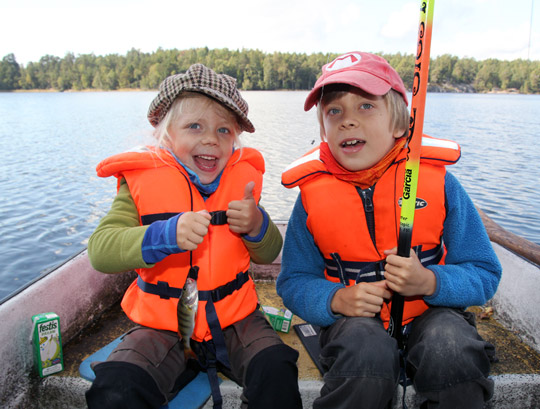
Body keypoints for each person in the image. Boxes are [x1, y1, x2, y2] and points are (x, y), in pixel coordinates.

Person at [276, 51, 502, 409]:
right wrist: (334, 300)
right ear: (323, 129)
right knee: (365, 355)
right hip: (353, 325)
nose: (347, 121)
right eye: (334, 111)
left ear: (399, 124)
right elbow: (293, 282)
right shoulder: (311, 197)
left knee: (451, 347)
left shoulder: (440, 184)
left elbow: (484, 273)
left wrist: (430, 283)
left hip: (433, 314)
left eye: (366, 106)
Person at [86, 63, 302, 409]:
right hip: (163, 325)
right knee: (117, 386)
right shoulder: (138, 183)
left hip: (236, 319)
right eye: (194, 126)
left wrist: (257, 224)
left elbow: (269, 252)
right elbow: (100, 251)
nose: (210, 140)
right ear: (166, 134)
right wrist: (164, 235)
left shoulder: (242, 184)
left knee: (276, 370)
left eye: (224, 130)